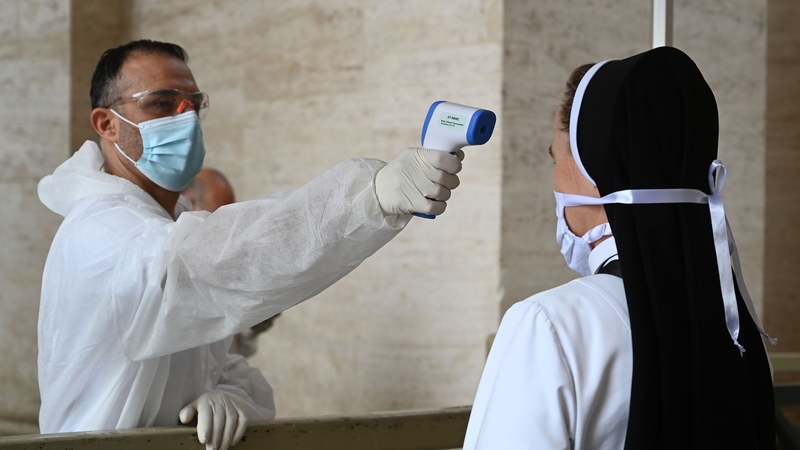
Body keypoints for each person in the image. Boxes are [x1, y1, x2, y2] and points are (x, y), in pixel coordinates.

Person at [37, 40, 464, 450]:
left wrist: (230, 394)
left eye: (194, 104)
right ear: (106, 124)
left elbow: (219, 360)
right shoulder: (103, 231)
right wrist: (368, 197)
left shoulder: (169, 220)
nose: (185, 118)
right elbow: (214, 261)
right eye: (162, 103)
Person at [463, 47, 775, 449]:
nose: (555, 179)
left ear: (599, 174)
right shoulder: (736, 328)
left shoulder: (548, 326)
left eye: (555, 158)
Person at [182, 167, 279, 358]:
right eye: (215, 219)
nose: (223, 232)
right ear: (188, 205)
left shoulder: (226, 262)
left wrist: (253, 324)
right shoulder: (159, 263)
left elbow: (232, 354)